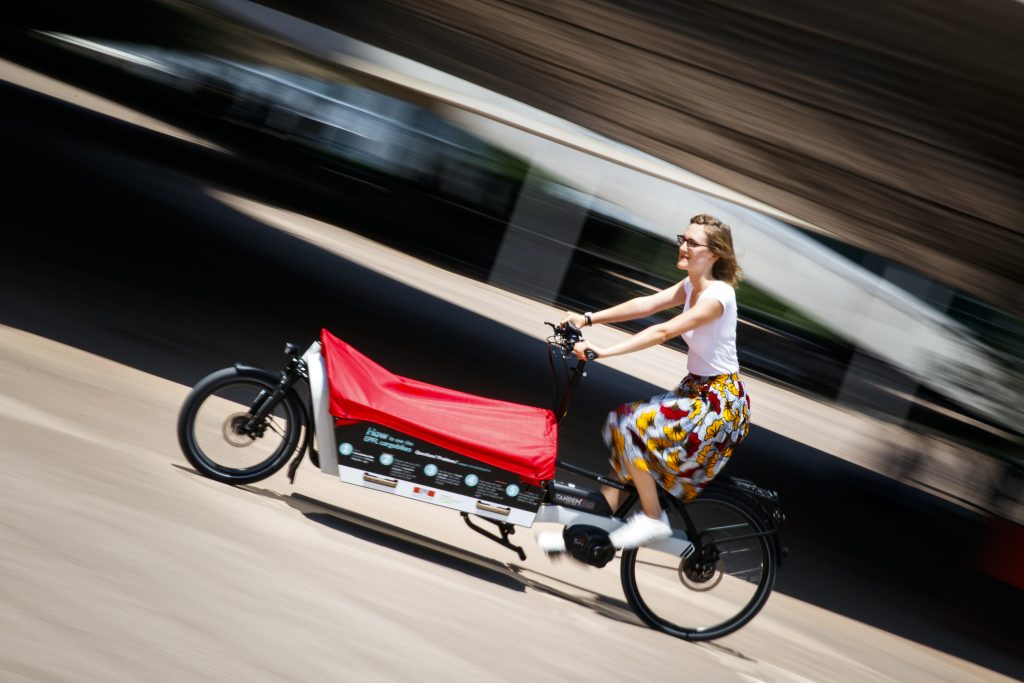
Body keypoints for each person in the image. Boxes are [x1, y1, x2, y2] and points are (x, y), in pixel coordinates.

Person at [539, 213, 751, 551]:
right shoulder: (690, 286)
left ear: (714, 254)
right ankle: (595, 522)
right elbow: (645, 305)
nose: (682, 246)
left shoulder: (718, 297)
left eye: (692, 243)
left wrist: (604, 352)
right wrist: (588, 318)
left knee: (631, 425)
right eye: (681, 239)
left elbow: (664, 330)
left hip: (718, 406)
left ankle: (653, 519)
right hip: (697, 391)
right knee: (624, 423)